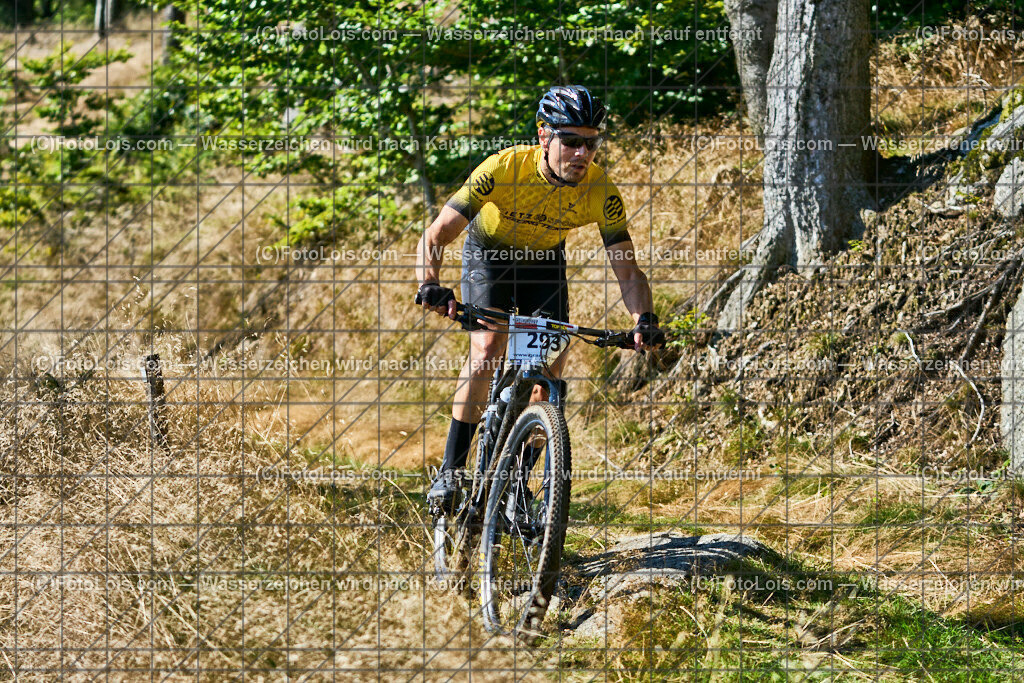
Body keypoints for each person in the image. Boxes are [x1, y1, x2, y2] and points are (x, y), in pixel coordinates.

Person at [415, 84, 664, 511]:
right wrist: (429, 283)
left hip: (544, 263)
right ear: (544, 136)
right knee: (487, 349)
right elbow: (436, 233)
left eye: (591, 143)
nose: (582, 154)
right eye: (571, 141)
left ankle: (517, 485)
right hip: (489, 256)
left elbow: (627, 268)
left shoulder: (601, 191)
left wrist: (645, 318)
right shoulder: (504, 167)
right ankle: (451, 473)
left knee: (549, 370)